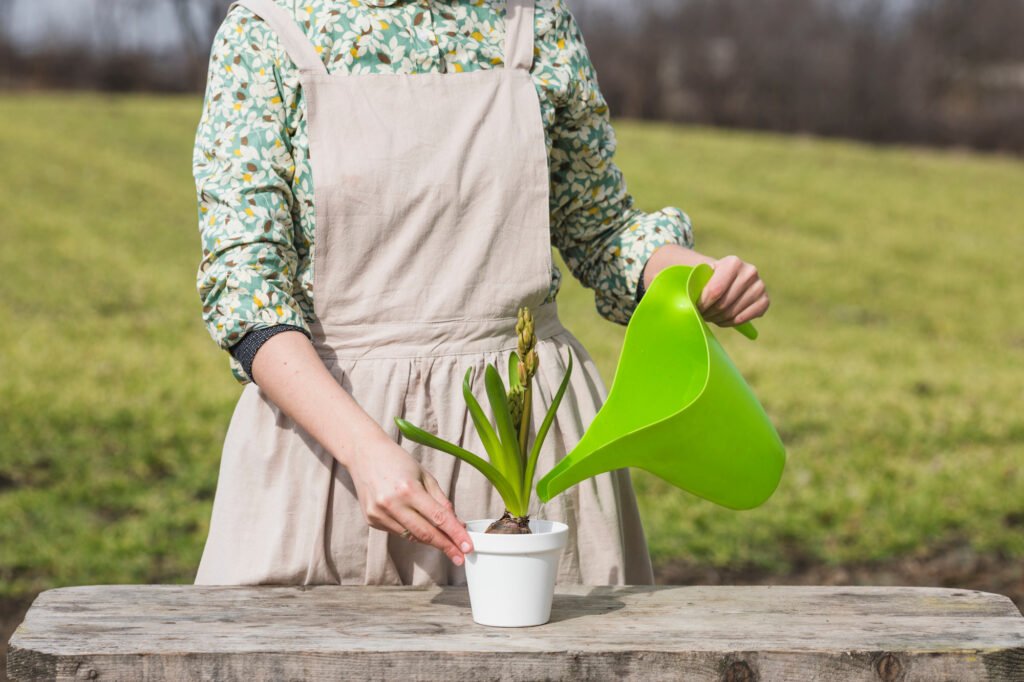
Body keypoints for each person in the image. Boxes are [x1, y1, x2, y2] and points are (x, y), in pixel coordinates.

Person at [191, 0, 769, 587]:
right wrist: (363, 451)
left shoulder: (535, 22)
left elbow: (600, 229)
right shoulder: (267, 34)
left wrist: (682, 274)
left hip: (528, 438)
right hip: (331, 457)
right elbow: (247, 290)